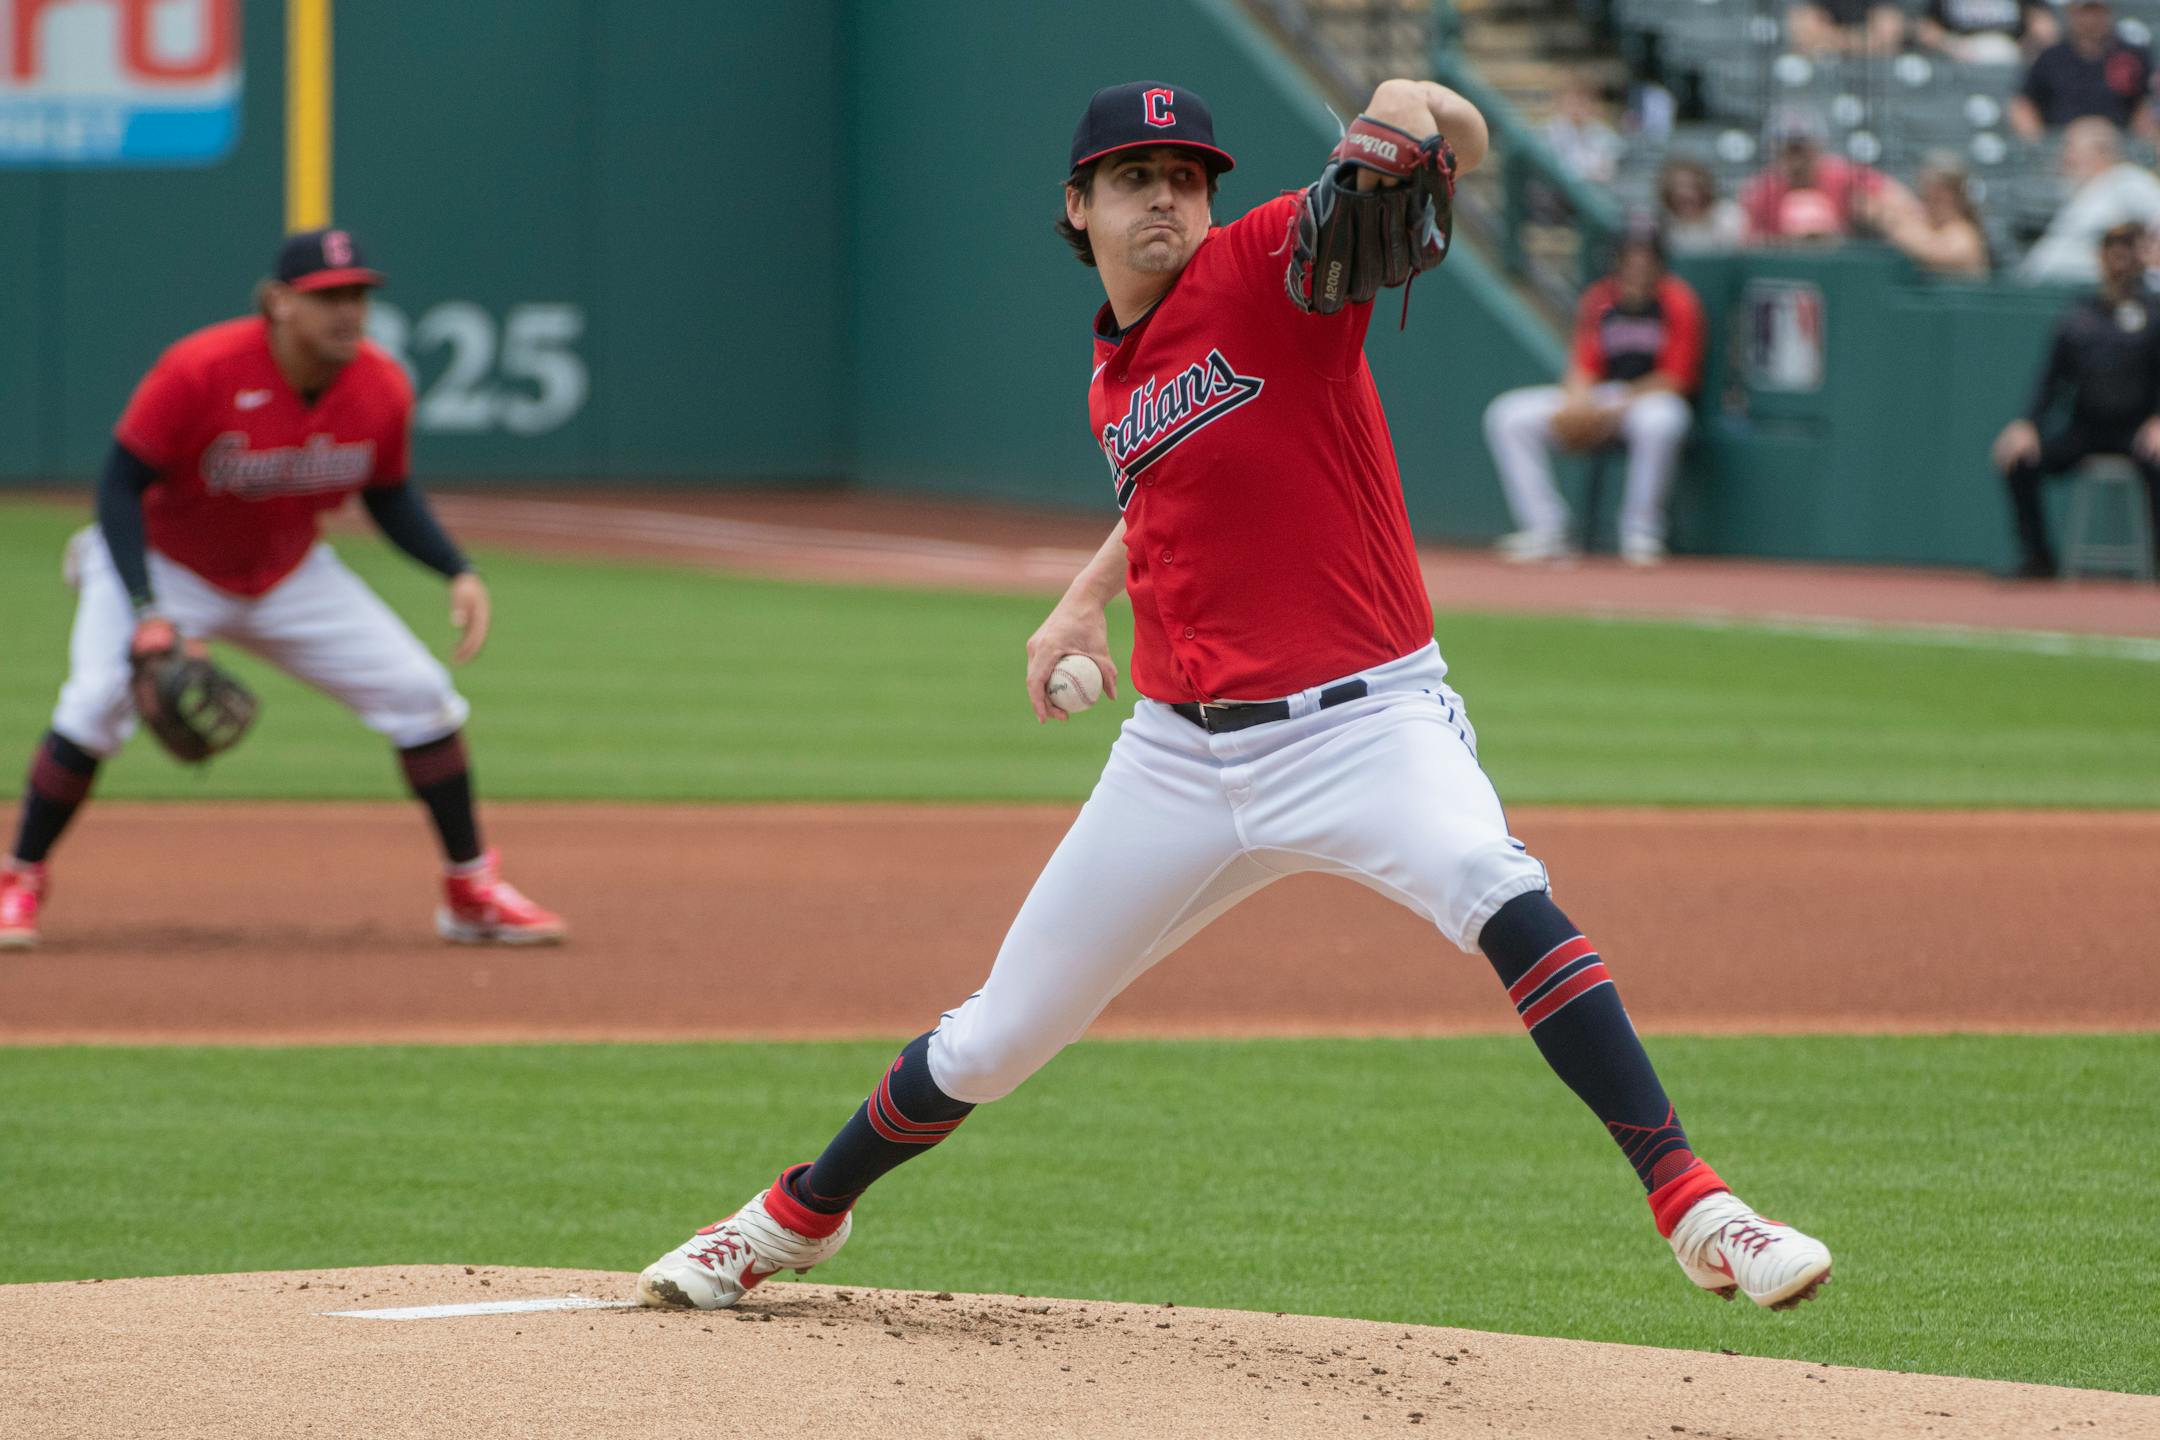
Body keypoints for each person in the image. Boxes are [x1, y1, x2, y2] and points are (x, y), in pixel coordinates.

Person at [635, 80, 1833, 1315]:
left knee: (1495, 883)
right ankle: (794, 1217)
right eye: (1137, 175)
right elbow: (1165, 487)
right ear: (1078, 206)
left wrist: (1407, 109)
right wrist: (1080, 600)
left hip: (1366, 724)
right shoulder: (1116, 363)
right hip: (1177, 761)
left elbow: (1442, 132)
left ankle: (1696, 1203)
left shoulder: (1271, 262)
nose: (1169, 194)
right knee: (996, 1037)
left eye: (1188, 175)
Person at [0, 229, 564, 950]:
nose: (347, 313)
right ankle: (20, 878)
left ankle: (470, 890)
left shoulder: (380, 384)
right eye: (328, 297)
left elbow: (389, 495)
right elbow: (119, 486)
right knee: (93, 706)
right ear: (277, 302)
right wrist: (146, 610)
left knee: (422, 696)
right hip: (165, 561)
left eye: (357, 295)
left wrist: (457, 568)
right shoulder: (198, 369)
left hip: (288, 571)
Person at [1484, 229, 1704, 566]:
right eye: (1630, 259)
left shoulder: (1677, 300)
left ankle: (1641, 532)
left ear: (1659, 263)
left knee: (1664, 421)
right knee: (1508, 415)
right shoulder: (1600, 297)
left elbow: (1676, 379)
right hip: (1604, 397)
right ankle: (1546, 528)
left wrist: (1614, 407)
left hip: (1648, 398)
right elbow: (1584, 365)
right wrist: (1578, 402)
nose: (1638, 267)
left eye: (1646, 259)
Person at [1992, 221, 2160, 577]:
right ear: (2100, 258)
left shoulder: (2154, 312)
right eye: (2112, 251)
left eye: (2127, 251)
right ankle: (2038, 557)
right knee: (2019, 461)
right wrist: (2026, 423)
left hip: (2137, 431)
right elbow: (2050, 381)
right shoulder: (2079, 316)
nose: (2119, 261)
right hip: (2086, 429)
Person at [2017, 117, 2160, 282]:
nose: (2065, 157)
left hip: (2096, 294)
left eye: (2071, 147)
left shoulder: (2128, 180)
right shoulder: (2086, 191)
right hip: (2055, 290)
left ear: (2101, 151)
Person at [1738, 109, 1891, 244]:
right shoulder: (1761, 193)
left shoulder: (1847, 179)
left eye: (1802, 151)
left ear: (1818, 148)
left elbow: (1898, 209)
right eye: (1788, 152)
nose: (1796, 163)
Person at [2009, 0, 2154, 140]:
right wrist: (2038, 142)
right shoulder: (2051, 57)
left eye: (2097, 12)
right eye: (2085, 13)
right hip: (2061, 143)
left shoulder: (2131, 56)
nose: (2091, 20)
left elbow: (2145, 105)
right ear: (2072, 13)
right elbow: (2024, 103)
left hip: (2115, 143)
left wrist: (2139, 143)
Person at [1876, 156, 1993, 278]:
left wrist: (1892, 222)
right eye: (1926, 194)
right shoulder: (1929, 227)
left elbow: (1933, 253)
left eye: (1938, 196)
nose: (1930, 202)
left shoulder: (1964, 234)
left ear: (1955, 197)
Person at [1913, 0, 2058, 67]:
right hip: (1956, 57)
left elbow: (2043, 24)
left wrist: (2023, 48)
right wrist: (1951, 46)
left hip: (2010, 54)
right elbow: (1926, 29)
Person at [1542, 72, 1623, 188]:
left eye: (1583, 101)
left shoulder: (1604, 133)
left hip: (1596, 193)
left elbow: (1608, 171)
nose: (1577, 108)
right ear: (1561, 103)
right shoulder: (1549, 133)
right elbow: (1553, 172)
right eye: (1572, 101)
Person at [1656, 156, 1746, 255]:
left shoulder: (1728, 216)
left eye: (1691, 186)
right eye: (1677, 187)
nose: (1684, 193)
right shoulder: (1665, 226)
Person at [1785, 0, 1906, 57]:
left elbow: (1888, 37)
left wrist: (1830, 39)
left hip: (1876, 76)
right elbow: (1804, 35)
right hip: (1821, 75)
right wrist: (1861, 40)